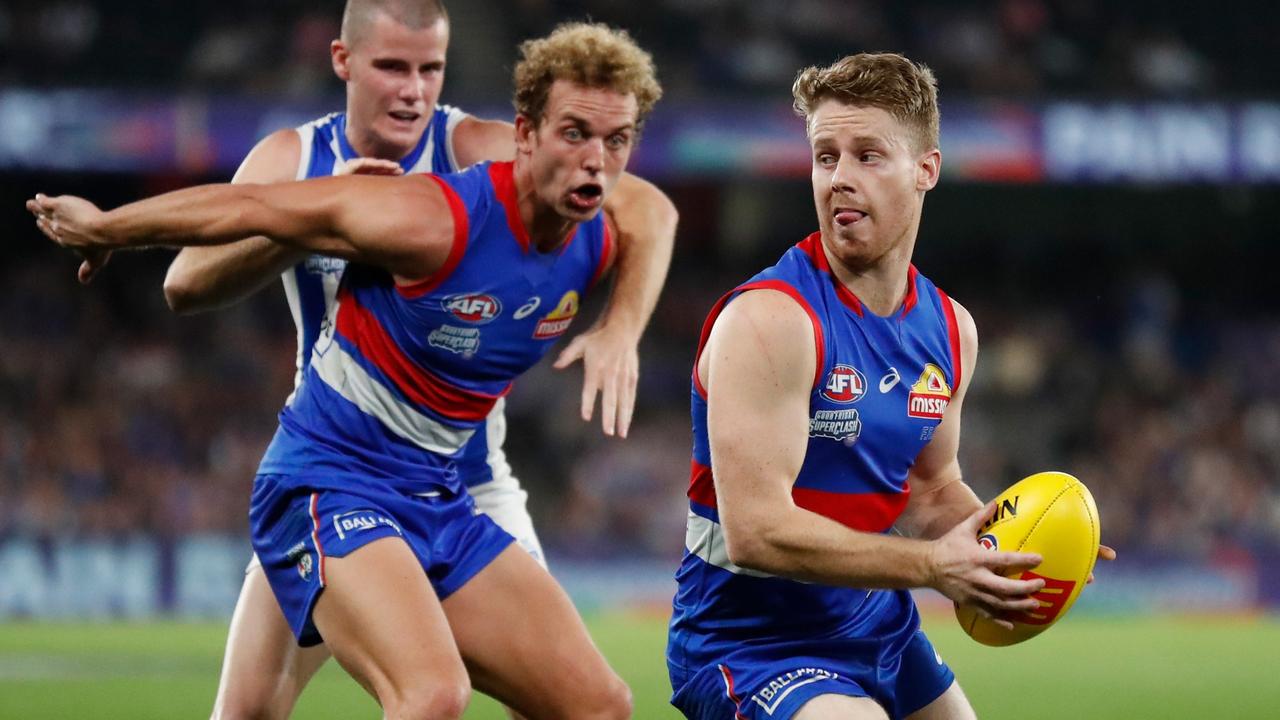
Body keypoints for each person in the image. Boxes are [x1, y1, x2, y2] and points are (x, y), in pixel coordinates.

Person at [31, 21, 662, 720]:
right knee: (429, 696)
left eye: (616, 142)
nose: (596, 161)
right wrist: (108, 225)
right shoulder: (430, 215)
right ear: (526, 135)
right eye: (574, 134)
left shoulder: (599, 222)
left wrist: (621, 328)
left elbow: (655, 212)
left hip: (444, 489)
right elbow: (248, 210)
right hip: (328, 478)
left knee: (598, 705)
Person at [664, 53, 1114, 720]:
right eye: (826, 156)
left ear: (926, 170)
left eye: (868, 155)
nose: (839, 179)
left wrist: (1012, 549)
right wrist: (934, 567)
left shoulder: (950, 329)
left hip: (879, 627)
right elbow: (756, 531)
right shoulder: (770, 320)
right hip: (749, 641)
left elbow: (928, 490)